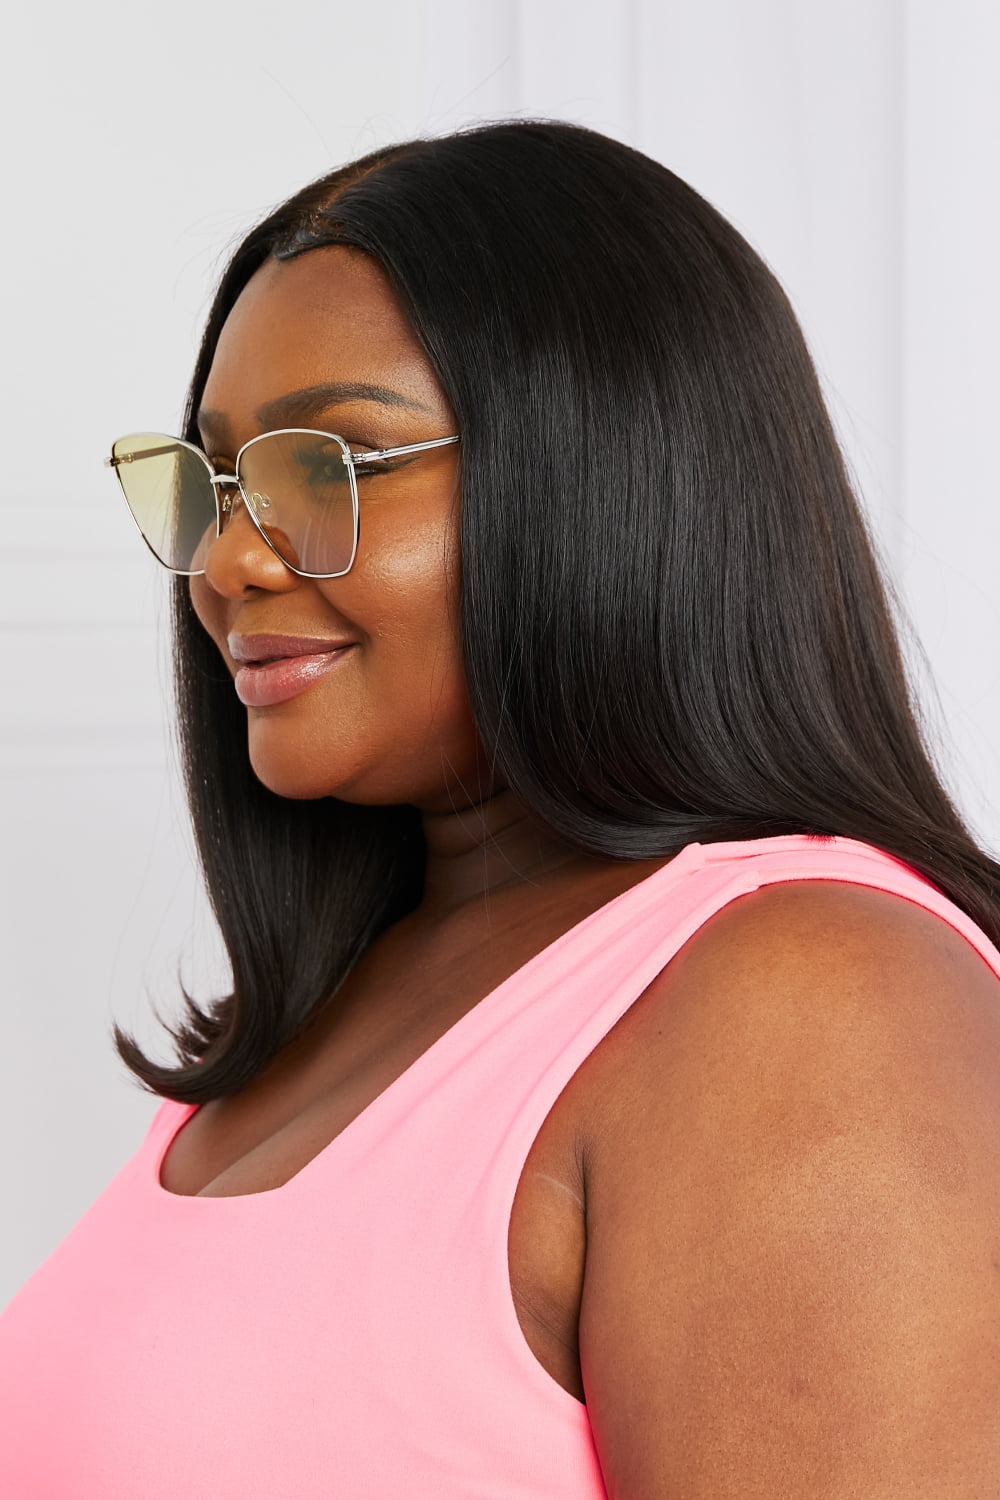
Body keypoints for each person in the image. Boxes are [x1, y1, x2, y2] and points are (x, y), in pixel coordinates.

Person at [1, 119, 999, 1497]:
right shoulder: (349, 1001)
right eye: (216, 485)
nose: (228, 561)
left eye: (327, 468)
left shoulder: (811, 1003)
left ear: (611, 473)